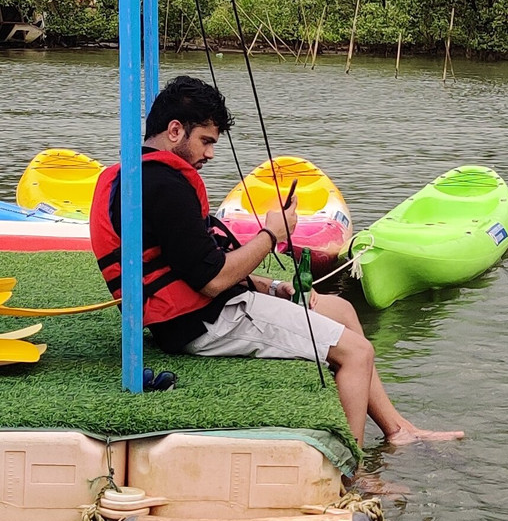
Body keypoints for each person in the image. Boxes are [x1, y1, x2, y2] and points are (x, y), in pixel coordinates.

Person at [89, 75, 463, 449]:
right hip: (203, 324)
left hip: (195, 312)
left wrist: (272, 287)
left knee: (343, 310)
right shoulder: (166, 187)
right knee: (357, 353)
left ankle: (397, 429)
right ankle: (353, 469)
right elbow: (212, 280)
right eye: (206, 141)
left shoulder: (137, 174)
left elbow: (189, 265)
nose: (210, 154)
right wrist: (272, 234)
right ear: (175, 131)